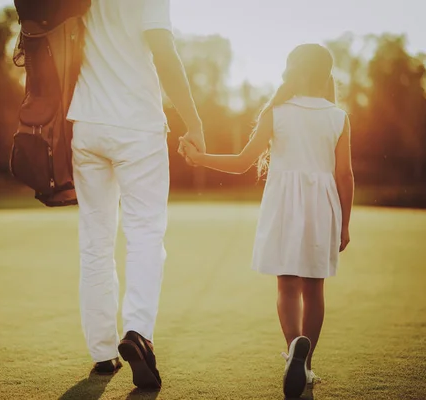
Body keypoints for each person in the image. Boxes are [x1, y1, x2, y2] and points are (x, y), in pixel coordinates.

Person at [179, 43, 355, 398]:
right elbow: (345, 176)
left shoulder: (277, 112)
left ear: (293, 72)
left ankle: (294, 351)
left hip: (283, 204)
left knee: (286, 287)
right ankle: (304, 368)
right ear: (326, 75)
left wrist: (200, 160)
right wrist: (345, 223)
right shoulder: (338, 116)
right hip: (323, 205)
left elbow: (244, 161)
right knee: (314, 290)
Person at [67, 0, 205, 390]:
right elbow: (163, 50)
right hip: (137, 125)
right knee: (144, 232)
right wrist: (193, 121)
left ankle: (102, 352)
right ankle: (138, 333)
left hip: (86, 124)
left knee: (95, 239)